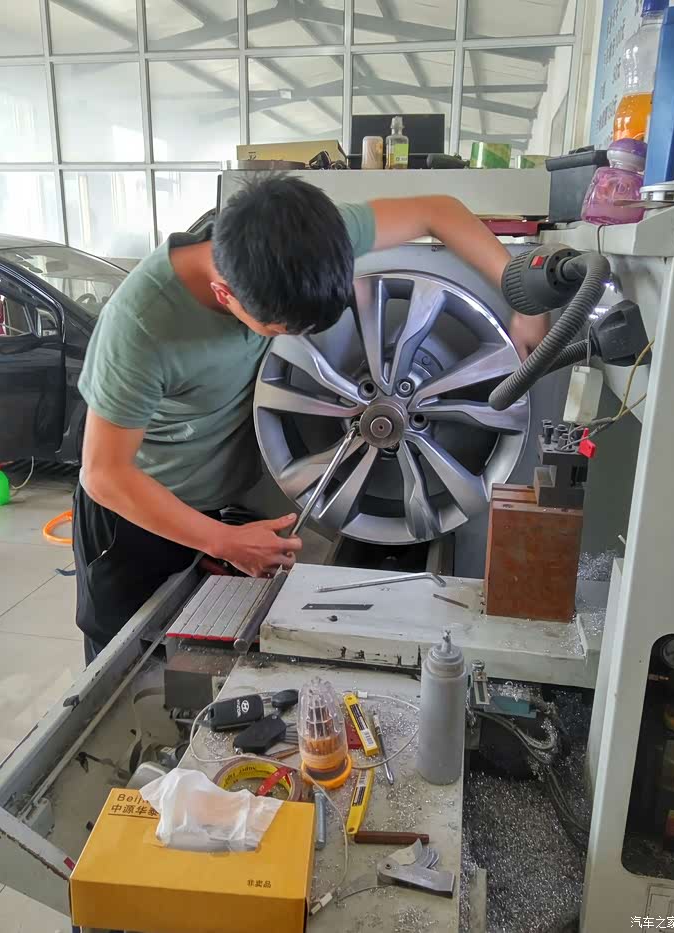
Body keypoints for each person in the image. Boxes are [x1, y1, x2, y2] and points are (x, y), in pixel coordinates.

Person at [74, 175, 549, 664]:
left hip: (221, 502)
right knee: (130, 662)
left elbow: (439, 210)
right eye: (278, 330)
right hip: (136, 518)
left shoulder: (305, 241)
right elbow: (104, 474)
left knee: (206, 651)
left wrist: (525, 296)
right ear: (224, 294)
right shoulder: (139, 328)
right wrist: (223, 542)